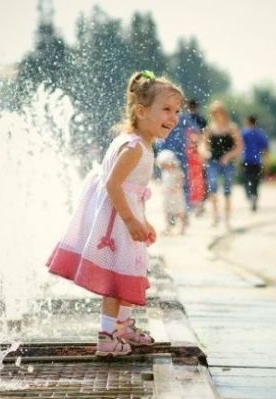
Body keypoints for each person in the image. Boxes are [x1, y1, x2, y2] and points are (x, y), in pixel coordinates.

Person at [46, 71, 183, 357]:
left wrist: (142, 220)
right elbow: (112, 184)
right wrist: (132, 220)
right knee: (115, 280)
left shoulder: (139, 142)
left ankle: (122, 327)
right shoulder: (133, 147)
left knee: (128, 272)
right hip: (116, 223)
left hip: (123, 217)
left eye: (177, 111)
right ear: (142, 111)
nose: (173, 117)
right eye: (166, 110)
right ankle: (107, 337)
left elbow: (129, 191)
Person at [203, 101, 243, 228]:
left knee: (227, 190)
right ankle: (215, 217)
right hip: (213, 161)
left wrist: (228, 156)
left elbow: (239, 146)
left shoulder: (232, 127)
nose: (217, 115)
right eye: (214, 113)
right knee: (212, 188)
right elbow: (203, 144)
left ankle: (227, 219)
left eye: (219, 112)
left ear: (224, 113)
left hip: (228, 162)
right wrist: (205, 152)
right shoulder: (210, 128)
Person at [241, 115, 269, 211]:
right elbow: (265, 150)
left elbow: (239, 146)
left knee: (246, 181)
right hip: (257, 162)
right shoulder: (260, 134)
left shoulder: (244, 133)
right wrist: (266, 164)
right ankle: (254, 196)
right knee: (255, 182)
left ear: (248, 122)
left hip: (246, 161)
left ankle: (250, 196)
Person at [156, 149, 187, 235]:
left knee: (179, 212)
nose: (164, 167)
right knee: (167, 211)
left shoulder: (177, 171)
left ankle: (182, 228)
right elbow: (164, 182)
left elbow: (180, 181)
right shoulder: (165, 172)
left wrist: (176, 188)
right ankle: (167, 228)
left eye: (165, 165)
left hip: (176, 195)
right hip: (167, 195)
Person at [184, 99, 206, 215]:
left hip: (193, 152)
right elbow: (204, 136)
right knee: (198, 179)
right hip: (195, 152)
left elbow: (203, 136)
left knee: (193, 179)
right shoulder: (200, 119)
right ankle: (197, 203)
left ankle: (193, 203)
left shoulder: (185, 119)